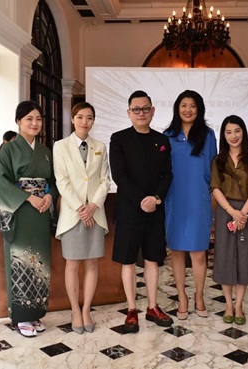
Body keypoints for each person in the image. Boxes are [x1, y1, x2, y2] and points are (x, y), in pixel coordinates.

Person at [110, 90, 174, 333]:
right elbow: (120, 176)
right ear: (129, 113)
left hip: (155, 210)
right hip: (129, 210)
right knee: (127, 261)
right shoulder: (119, 139)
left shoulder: (162, 140)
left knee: (152, 259)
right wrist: (142, 200)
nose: (141, 113)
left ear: (153, 111)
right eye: (136, 109)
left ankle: (153, 307)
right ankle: (131, 309)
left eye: (145, 108)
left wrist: (156, 198)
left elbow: (167, 174)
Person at [0, 101, 58, 337]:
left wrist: (50, 196)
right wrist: (28, 198)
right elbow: (2, 182)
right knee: (21, 261)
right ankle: (20, 317)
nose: (34, 123)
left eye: (38, 119)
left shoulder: (45, 151)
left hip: (41, 212)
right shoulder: (9, 150)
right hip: (21, 212)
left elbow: (53, 180)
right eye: (29, 119)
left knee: (40, 263)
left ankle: (36, 314)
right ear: (19, 121)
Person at [53, 102, 110, 334]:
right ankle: (75, 310)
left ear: (93, 121)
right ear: (73, 119)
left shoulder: (100, 146)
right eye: (80, 117)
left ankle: (87, 308)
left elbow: (105, 180)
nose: (84, 122)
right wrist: (80, 207)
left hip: (95, 214)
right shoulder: (61, 146)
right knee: (72, 264)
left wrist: (93, 206)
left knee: (92, 263)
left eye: (89, 118)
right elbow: (61, 181)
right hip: (73, 214)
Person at [164, 90, 217, 320]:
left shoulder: (208, 135)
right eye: (184, 105)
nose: (188, 109)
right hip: (174, 200)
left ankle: (199, 295)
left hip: (199, 200)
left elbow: (214, 170)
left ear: (199, 109)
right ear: (177, 108)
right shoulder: (168, 135)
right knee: (176, 251)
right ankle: (182, 296)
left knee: (198, 253)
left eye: (193, 105)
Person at [210, 115, 248, 325]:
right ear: (223, 135)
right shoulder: (218, 160)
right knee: (224, 256)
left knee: (244, 257)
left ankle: (239, 305)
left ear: (244, 132)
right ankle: (228, 305)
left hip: (246, 210)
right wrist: (232, 211)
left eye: (237, 131)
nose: (233, 136)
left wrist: (244, 213)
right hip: (226, 211)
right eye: (228, 132)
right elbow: (215, 188)